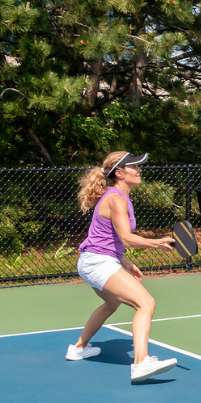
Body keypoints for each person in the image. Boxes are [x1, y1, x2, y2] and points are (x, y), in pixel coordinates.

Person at [69, 152, 179, 382]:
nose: (140, 170)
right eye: (135, 167)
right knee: (146, 303)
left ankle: (79, 348)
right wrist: (157, 242)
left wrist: (125, 262)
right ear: (120, 173)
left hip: (93, 259)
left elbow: (107, 237)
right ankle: (140, 363)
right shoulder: (116, 199)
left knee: (111, 303)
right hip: (97, 262)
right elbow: (127, 238)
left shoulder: (117, 196)